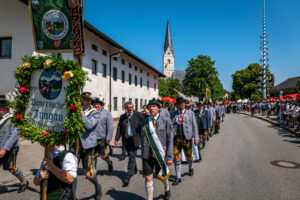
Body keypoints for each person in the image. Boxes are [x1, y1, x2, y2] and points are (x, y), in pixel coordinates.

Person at [141, 99, 173, 200]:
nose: (151, 108)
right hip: (147, 154)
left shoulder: (166, 120)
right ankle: (149, 198)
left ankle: (167, 188)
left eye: (154, 106)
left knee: (163, 175)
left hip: (160, 153)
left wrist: (169, 156)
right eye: (150, 106)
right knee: (148, 176)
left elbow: (170, 140)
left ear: (159, 108)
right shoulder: (144, 121)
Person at [0, 97, 28, 193]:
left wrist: (4, 149)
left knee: (11, 168)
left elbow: (14, 135)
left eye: (1, 107)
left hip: (10, 148)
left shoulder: (13, 118)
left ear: (6, 108)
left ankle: (24, 182)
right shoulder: (0, 118)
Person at [115, 102, 144, 186]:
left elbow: (146, 119)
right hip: (126, 140)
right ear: (125, 108)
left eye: (131, 107)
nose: (130, 109)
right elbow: (119, 128)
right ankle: (134, 169)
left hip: (135, 139)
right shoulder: (122, 117)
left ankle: (128, 175)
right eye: (128, 107)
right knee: (131, 155)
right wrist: (117, 138)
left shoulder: (138, 114)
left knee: (131, 155)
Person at [171, 97, 199, 186]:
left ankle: (190, 168)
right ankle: (178, 177)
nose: (182, 105)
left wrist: (197, 138)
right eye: (180, 103)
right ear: (177, 105)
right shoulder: (173, 114)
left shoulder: (190, 113)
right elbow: (170, 127)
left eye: (183, 103)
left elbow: (195, 126)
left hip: (187, 138)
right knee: (177, 157)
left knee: (189, 156)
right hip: (176, 139)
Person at [79, 92, 102, 200]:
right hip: (75, 144)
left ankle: (97, 187)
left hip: (87, 146)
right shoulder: (76, 110)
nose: (82, 101)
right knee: (70, 171)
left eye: (84, 100)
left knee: (88, 173)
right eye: (81, 99)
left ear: (89, 101)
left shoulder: (95, 113)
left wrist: (81, 114)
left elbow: (89, 125)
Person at [92, 97, 114, 173]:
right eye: (94, 104)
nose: (96, 106)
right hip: (91, 138)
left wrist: (108, 137)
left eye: (98, 104)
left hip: (102, 137)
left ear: (101, 105)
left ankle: (109, 162)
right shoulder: (90, 112)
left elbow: (110, 126)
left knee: (102, 154)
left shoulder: (106, 113)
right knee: (93, 154)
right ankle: (94, 171)